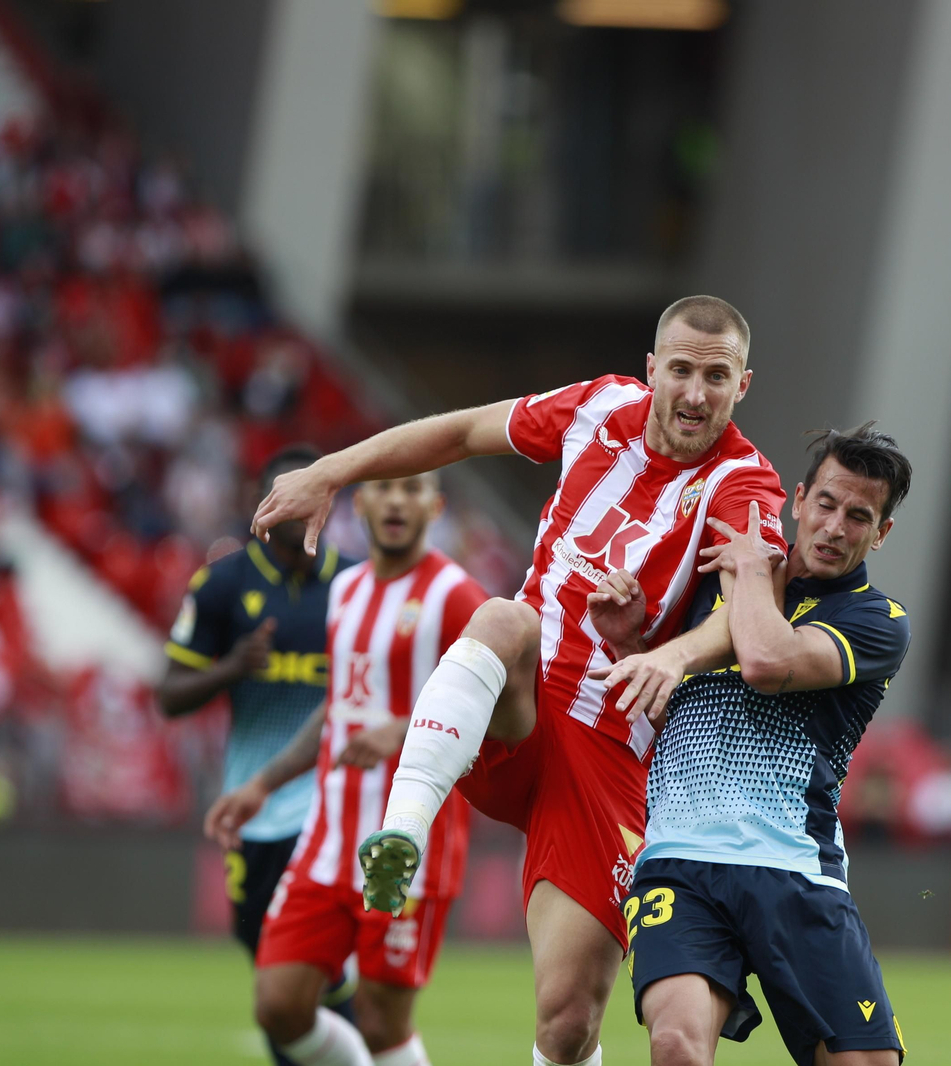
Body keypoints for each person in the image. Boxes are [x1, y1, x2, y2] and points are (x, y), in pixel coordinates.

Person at [253, 295, 789, 1066]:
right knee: (505, 619)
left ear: (742, 385)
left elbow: (749, 610)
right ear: (652, 369)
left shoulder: (745, 483)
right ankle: (403, 828)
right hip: (521, 698)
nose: (695, 393)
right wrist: (330, 472)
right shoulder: (598, 407)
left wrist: (670, 654)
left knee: (567, 1021)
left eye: (716, 375)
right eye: (680, 370)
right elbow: (463, 431)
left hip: (610, 746)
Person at [607, 424, 913, 1066]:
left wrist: (749, 574)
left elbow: (767, 663)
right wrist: (636, 641)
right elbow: (670, 695)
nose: (834, 527)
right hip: (679, 862)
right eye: (826, 504)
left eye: (859, 516)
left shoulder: (875, 621)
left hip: (796, 868)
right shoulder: (702, 585)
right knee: (675, 1045)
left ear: (881, 532)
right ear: (798, 501)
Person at [208, 472, 488, 1066]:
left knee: (383, 1022)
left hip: (406, 846)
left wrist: (407, 727)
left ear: (434, 507)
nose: (396, 500)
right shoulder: (346, 590)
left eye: (412, 489)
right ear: (358, 503)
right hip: (327, 841)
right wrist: (262, 784)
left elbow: (506, 712)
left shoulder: (455, 596)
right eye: (384, 488)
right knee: (278, 1005)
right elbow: (337, 708)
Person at [159, 444, 357, 1066]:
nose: (297, 510)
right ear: (263, 505)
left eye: (310, 494)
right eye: (284, 496)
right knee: (268, 962)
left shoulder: (356, 586)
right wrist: (232, 668)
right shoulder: (223, 585)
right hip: (254, 808)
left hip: (334, 808)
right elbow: (169, 695)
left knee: (319, 965)